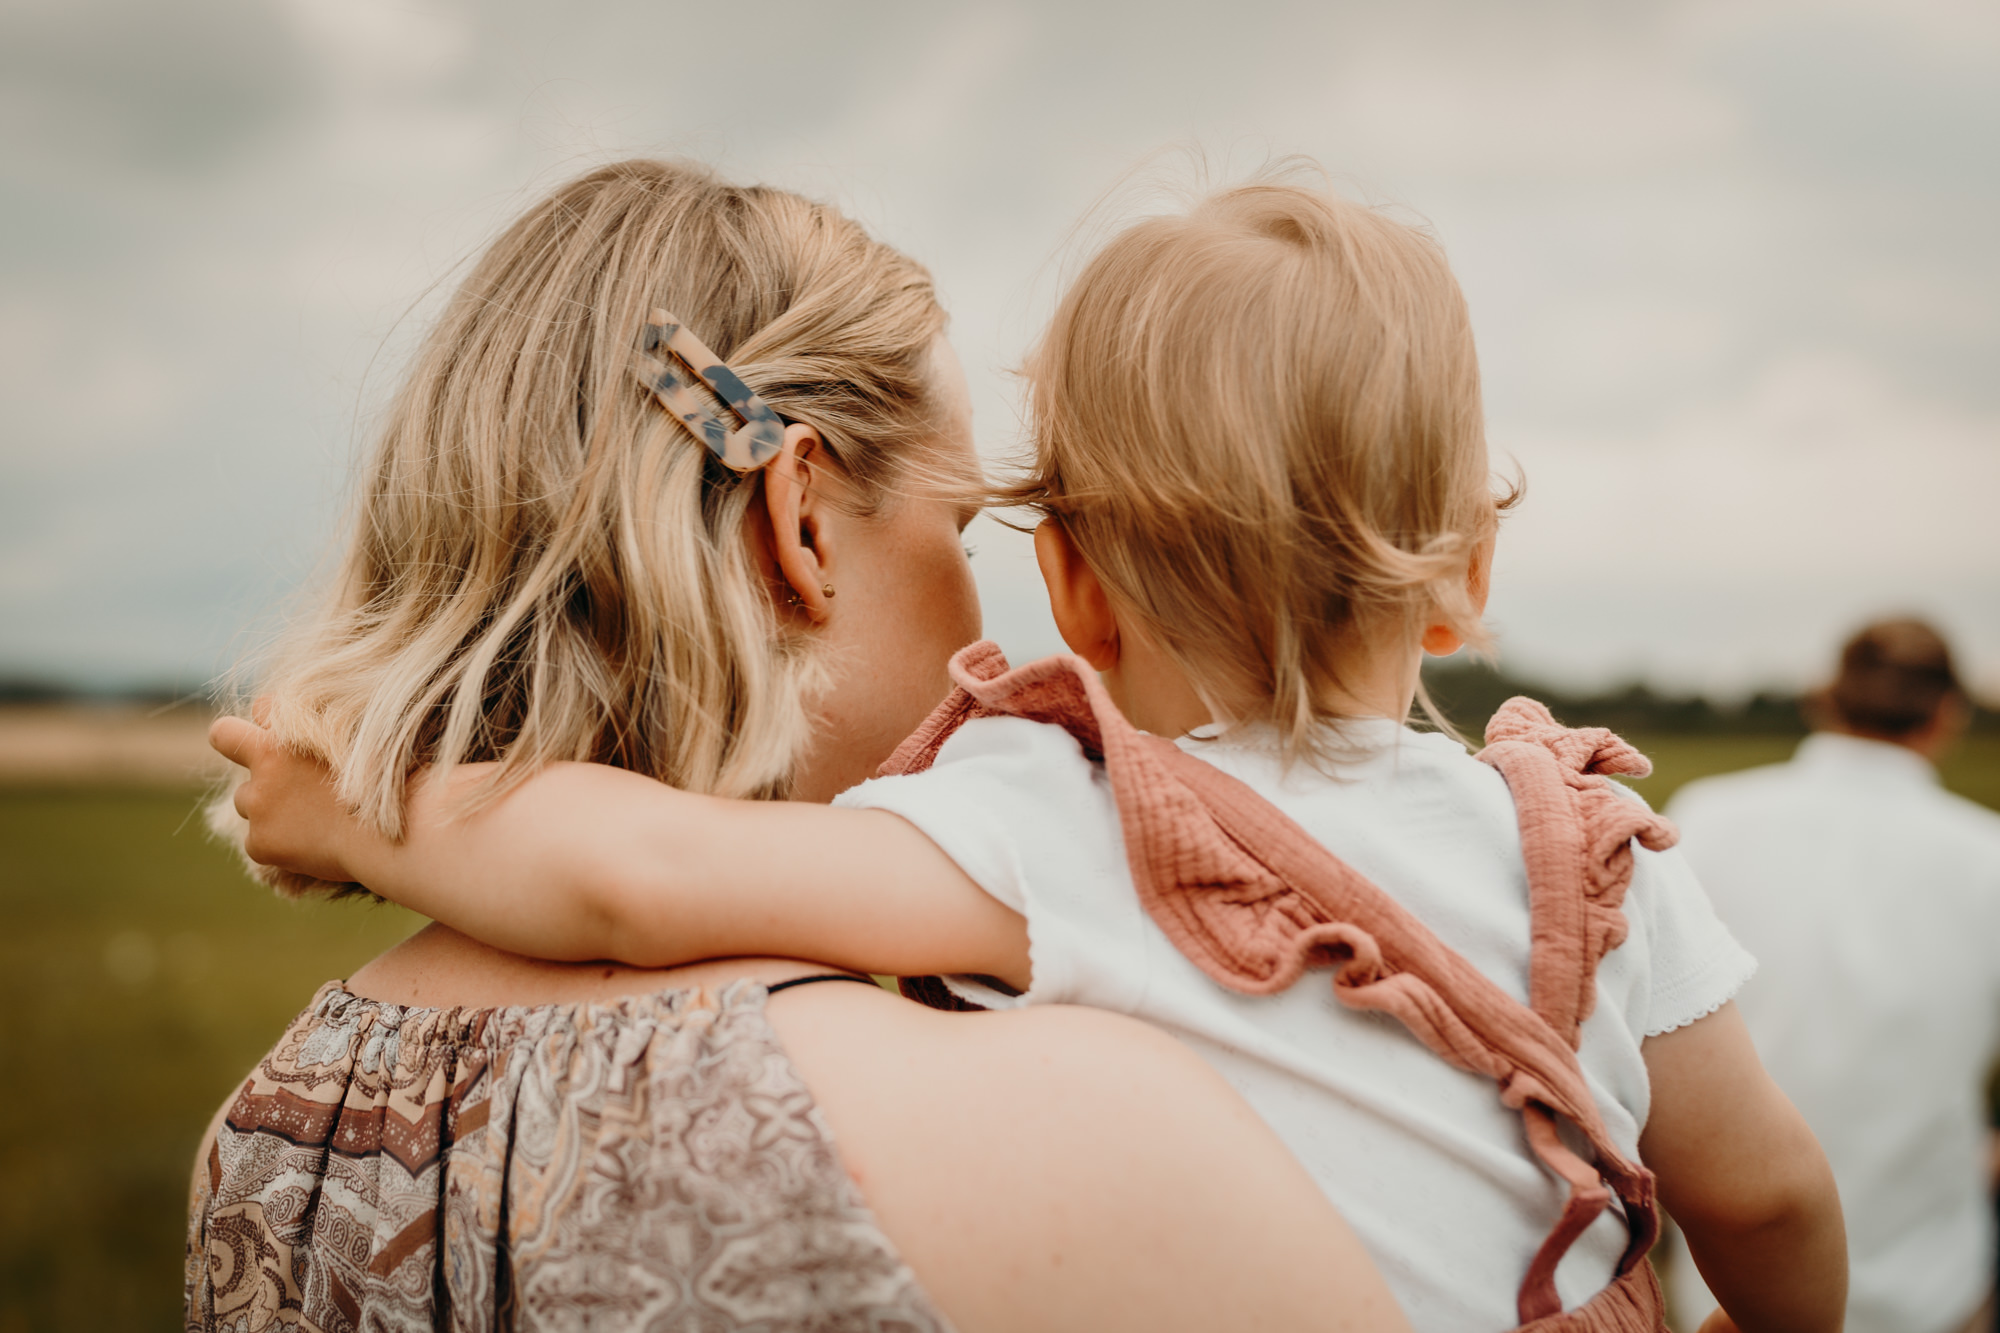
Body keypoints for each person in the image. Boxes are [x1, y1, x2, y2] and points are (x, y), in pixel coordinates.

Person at [223, 176, 1848, 1332]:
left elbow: (627, 872)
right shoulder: (1589, 838)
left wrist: (362, 804)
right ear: (1469, 574)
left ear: (1079, 580)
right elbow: (1768, 1194)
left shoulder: (278, 1117)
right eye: (954, 514)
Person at [1660, 618, 2000, 1333]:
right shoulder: (1987, 858)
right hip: (1932, 1284)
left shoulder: (1705, 819)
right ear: (1948, 714)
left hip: (1733, 1292)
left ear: (1825, 699)